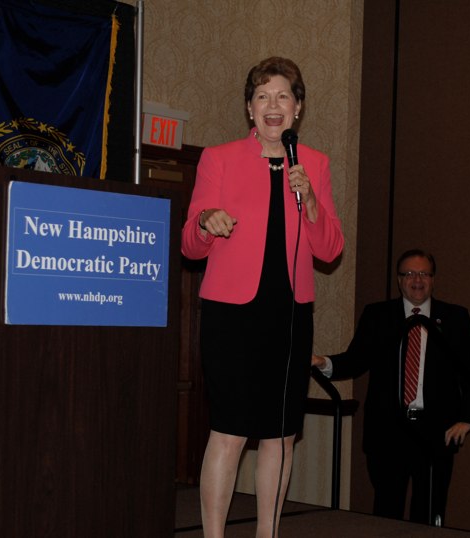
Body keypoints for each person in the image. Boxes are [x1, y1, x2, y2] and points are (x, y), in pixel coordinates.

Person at [181, 56, 344, 538]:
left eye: (283, 96)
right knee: (229, 431)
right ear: (250, 109)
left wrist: (310, 200)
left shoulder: (315, 163)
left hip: (289, 313)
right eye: (262, 96)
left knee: (281, 434)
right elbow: (189, 245)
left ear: (298, 108)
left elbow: (330, 249)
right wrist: (206, 221)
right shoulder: (219, 158)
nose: (273, 105)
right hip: (231, 314)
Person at [312, 248, 470, 525]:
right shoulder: (378, 315)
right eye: (410, 274)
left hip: (436, 432)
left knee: (429, 513)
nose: (417, 280)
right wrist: (324, 362)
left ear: (433, 279)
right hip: (388, 431)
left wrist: (468, 418)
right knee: (386, 512)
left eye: (424, 274)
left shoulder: (455, 318)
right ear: (399, 280)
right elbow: (356, 360)